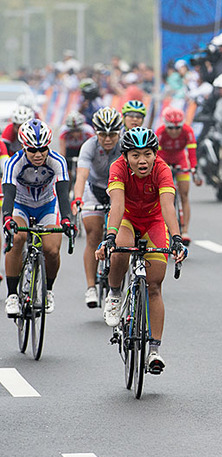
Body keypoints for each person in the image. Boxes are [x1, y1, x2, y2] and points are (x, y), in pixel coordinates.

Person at [96, 127, 188, 374]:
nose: (142, 160)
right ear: (125, 156)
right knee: (121, 251)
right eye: (135, 155)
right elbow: (117, 205)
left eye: (147, 154)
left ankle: (155, 351)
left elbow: (168, 206)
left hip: (154, 221)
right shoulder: (118, 168)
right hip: (127, 218)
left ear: (155, 154)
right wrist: (110, 236)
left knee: (155, 285)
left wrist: (177, 237)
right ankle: (115, 293)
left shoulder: (162, 169)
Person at [3, 119, 76, 317]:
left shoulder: (57, 161)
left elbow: (62, 193)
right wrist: (7, 217)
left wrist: (67, 219)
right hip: (21, 206)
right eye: (32, 150)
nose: (38, 154)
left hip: (47, 206)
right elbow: (8, 193)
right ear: (23, 147)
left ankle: (48, 290)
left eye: (42, 149)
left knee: (52, 250)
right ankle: (11, 295)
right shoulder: (13, 163)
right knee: (17, 239)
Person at [71, 108, 123, 309]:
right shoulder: (89, 146)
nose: (108, 139)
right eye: (103, 134)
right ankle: (91, 287)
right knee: (93, 234)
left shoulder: (124, 145)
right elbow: (81, 176)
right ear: (96, 133)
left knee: (119, 236)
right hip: (94, 189)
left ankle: (116, 285)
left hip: (118, 189)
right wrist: (77, 198)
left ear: (119, 133)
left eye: (112, 134)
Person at [155, 107, 201, 244]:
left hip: (180, 158)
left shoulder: (188, 131)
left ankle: (185, 230)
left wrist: (194, 170)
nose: (174, 132)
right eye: (171, 128)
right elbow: (155, 155)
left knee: (184, 194)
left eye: (177, 128)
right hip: (163, 159)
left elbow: (192, 153)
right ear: (165, 125)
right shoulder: (160, 133)